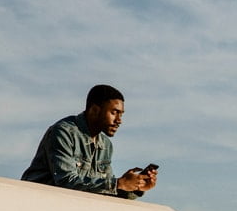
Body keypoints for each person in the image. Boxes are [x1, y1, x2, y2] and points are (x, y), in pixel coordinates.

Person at [21, 84, 157, 199]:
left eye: (121, 114)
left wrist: (136, 187)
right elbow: (65, 182)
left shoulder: (105, 145)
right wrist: (117, 184)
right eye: (114, 112)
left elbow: (103, 192)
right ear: (94, 110)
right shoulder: (63, 132)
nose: (119, 120)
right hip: (34, 204)